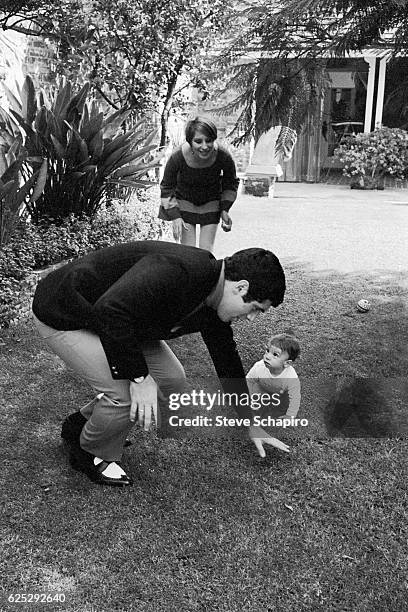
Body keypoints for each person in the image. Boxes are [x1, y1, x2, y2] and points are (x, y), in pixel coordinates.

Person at [32, 241, 288, 488]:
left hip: (113, 317)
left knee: (171, 378)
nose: (252, 318)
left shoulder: (214, 298)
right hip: (64, 310)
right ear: (241, 287)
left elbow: (227, 360)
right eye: (255, 308)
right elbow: (110, 310)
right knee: (128, 394)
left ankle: (79, 424)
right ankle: (88, 452)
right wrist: (140, 379)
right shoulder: (180, 272)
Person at [159, 117, 239, 252]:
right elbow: (167, 187)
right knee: (188, 252)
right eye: (198, 141)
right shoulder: (177, 157)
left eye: (209, 141)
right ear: (190, 141)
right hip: (184, 201)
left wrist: (225, 209)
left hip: (211, 202)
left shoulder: (223, 156)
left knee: (205, 251)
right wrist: (175, 215)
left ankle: (206, 273)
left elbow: (230, 183)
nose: (204, 146)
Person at [247, 333, 301, 419]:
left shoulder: (291, 378)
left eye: (275, 355)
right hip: (263, 388)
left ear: (287, 363)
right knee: (253, 399)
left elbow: (295, 397)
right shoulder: (259, 367)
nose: (267, 356)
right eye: (268, 351)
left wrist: (290, 415)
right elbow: (249, 381)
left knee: (285, 403)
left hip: (282, 393)